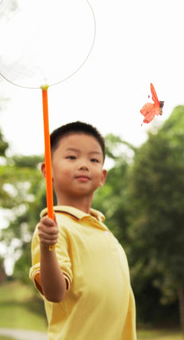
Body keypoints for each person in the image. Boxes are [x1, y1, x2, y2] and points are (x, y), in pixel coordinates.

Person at [29, 121, 136, 340]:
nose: (84, 164)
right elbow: (55, 293)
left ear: (103, 177)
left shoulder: (106, 233)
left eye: (94, 159)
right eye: (71, 157)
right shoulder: (54, 228)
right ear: (47, 170)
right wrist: (46, 246)